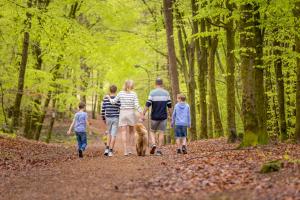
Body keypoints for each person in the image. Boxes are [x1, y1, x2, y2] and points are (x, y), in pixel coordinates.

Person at [106, 80, 142, 156]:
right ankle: (130, 149)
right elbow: (136, 105)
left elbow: (113, 102)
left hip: (122, 113)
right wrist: (141, 113)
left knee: (123, 132)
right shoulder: (134, 94)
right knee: (131, 132)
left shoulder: (120, 93)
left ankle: (125, 150)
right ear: (131, 86)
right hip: (131, 113)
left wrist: (108, 97)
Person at [142, 78, 172, 156]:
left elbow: (147, 104)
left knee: (152, 131)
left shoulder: (152, 93)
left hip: (154, 116)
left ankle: (154, 144)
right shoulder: (166, 93)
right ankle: (159, 150)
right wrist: (171, 115)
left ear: (155, 84)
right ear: (162, 84)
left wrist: (143, 114)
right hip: (163, 117)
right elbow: (169, 106)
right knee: (161, 132)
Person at [101, 85, 121, 157]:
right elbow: (120, 108)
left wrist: (103, 118)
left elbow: (103, 109)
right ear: (116, 91)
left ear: (110, 90)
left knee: (109, 133)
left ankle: (107, 149)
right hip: (115, 118)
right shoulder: (118, 99)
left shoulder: (106, 99)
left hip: (108, 118)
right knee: (113, 135)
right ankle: (110, 151)